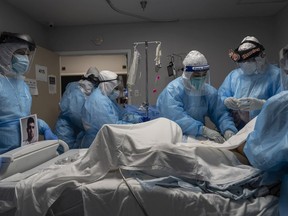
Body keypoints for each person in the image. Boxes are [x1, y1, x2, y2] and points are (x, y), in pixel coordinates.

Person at [156, 50, 238, 143]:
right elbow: (176, 117)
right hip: (174, 135)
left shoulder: (208, 92)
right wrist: (203, 130)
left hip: (198, 136)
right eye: (197, 75)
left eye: (204, 74)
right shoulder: (173, 90)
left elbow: (220, 113)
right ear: (187, 73)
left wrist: (228, 129)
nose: (201, 78)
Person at [0, 31, 57, 154]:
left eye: (26, 54)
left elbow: (22, 119)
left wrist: (43, 127)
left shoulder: (22, 85)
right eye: (20, 53)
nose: (25, 58)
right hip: (4, 155)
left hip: (23, 153)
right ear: (5, 52)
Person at [218, 36, 281, 130]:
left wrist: (262, 104)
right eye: (242, 62)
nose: (245, 64)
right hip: (238, 132)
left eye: (248, 61)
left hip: (267, 132)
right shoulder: (234, 76)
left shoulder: (277, 76)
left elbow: (284, 104)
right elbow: (218, 98)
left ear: (259, 58)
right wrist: (225, 101)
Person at [81, 70, 144, 148]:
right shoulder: (98, 101)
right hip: (97, 143)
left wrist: (137, 119)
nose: (116, 91)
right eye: (115, 88)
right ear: (107, 85)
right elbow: (111, 125)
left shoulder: (107, 98)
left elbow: (121, 115)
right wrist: (134, 126)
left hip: (105, 141)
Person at [54, 67, 100, 150]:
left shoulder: (87, 91)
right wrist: (88, 127)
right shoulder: (76, 90)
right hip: (66, 129)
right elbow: (75, 114)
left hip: (77, 130)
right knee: (64, 155)